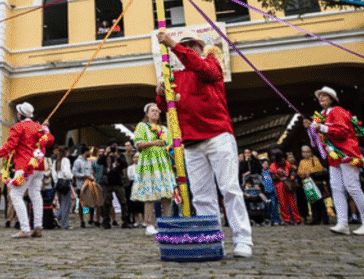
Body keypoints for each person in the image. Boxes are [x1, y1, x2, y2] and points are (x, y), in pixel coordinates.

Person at [155, 30, 253, 258]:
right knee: (201, 196)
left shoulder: (211, 64)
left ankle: (243, 239)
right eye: (185, 45)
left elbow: (200, 68)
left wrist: (172, 44)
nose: (189, 49)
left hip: (218, 135)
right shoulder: (175, 76)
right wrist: (160, 94)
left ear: (200, 47)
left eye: (192, 45)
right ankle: (212, 239)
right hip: (191, 142)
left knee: (229, 189)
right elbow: (167, 108)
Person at [304, 86, 364, 235]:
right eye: (320, 96)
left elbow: (342, 132)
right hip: (334, 157)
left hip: (347, 153)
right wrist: (312, 129)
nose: (321, 98)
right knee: (336, 188)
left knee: (353, 187)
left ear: (332, 99)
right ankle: (342, 222)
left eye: (325, 96)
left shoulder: (337, 111)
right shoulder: (323, 115)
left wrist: (321, 127)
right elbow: (322, 138)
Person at [0, 102, 53, 238]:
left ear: (20, 114)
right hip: (38, 166)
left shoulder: (19, 126)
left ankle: (25, 228)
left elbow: (11, 144)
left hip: (24, 166)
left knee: (16, 195)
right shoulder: (39, 127)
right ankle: (38, 225)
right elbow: (50, 140)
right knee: (35, 194)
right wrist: (46, 129)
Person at [131, 102, 175, 236]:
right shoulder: (142, 126)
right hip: (149, 164)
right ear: (147, 113)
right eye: (152, 111)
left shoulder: (164, 129)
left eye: (157, 111)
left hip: (164, 164)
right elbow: (139, 144)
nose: (155, 113)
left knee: (167, 194)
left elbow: (170, 145)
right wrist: (154, 143)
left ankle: (166, 223)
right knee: (150, 194)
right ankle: (149, 224)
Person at [297, 144, 329, 225]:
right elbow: (300, 172)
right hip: (308, 185)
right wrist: (305, 173)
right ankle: (315, 219)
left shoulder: (314, 159)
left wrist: (310, 172)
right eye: (304, 152)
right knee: (312, 202)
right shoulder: (302, 162)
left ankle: (325, 219)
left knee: (320, 201)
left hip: (316, 183)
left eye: (307, 152)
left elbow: (319, 168)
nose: (306, 154)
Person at [99, 142, 128, 229]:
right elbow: (99, 162)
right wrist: (105, 153)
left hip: (118, 181)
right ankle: (106, 221)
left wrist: (117, 157)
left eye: (114, 147)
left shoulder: (120, 156)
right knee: (106, 203)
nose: (112, 149)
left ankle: (125, 220)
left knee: (123, 201)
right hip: (107, 182)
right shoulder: (106, 156)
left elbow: (125, 165)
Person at [269, 148, 301, 225]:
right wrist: (278, 174)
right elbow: (272, 177)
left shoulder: (287, 164)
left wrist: (292, 176)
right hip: (279, 185)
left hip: (288, 184)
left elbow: (293, 171)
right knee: (282, 203)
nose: (282, 161)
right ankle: (287, 220)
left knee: (292, 202)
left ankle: (297, 219)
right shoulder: (273, 166)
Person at [52, 145, 74, 230]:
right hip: (65, 183)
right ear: (65, 152)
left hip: (58, 183)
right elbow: (67, 172)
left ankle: (58, 216)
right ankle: (63, 223)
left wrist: (56, 182)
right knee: (66, 205)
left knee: (61, 203)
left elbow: (53, 174)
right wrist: (71, 177)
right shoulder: (66, 160)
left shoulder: (56, 161)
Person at [72, 146, 93, 228]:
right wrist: (84, 176)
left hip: (89, 184)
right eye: (88, 151)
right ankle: (82, 220)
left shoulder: (88, 162)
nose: (90, 153)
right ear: (85, 152)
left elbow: (90, 171)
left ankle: (91, 219)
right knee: (81, 203)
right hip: (81, 185)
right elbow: (75, 173)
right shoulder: (77, 162)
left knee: (91, 201)